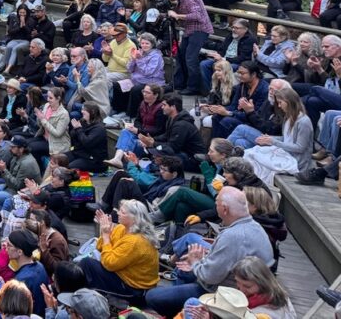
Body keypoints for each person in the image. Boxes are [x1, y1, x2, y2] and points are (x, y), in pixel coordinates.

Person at [144, 186, 274, 316]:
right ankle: (178, 281)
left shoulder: (232, 236)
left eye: (216, 203)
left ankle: (184, 310)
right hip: (239, 282)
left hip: (225, 295)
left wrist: (196, 262)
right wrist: (205, 256)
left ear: (224, 209)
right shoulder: (255, 226)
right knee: (190, 246)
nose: (214, 206)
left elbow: (209, 278)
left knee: (152, 296)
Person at [79, 199, 159, 300]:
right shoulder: (122, 228)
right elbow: (100, 248)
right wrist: (104, 230)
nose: (118, 213)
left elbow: (109, 264)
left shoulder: (135, 241)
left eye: (123, 212)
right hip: (121, 275)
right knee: (87, 265)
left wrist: (106, 235)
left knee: (87, 264)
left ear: (134, 219)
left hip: (135, 289)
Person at [163, 0, 214, 95]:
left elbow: (198, 16)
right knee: (180, 55)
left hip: (200, 30)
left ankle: (193, 87)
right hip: (190, 30)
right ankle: (179, 83)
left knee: (190, 58)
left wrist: (177, 15)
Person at [0, 135, 43, 227]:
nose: (10, 148)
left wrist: (4, 170)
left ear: (21, 149)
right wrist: (2, 168)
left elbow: (17, 185)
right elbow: (12, 177)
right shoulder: (16, 156)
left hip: (23, 194)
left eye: (13, 147)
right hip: (12, 187)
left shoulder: (26, 163)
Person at [105, 84, 166, 166]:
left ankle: (125, 163)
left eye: (148, 92)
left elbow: (159, 129)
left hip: (150, 139)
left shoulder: (160, 108)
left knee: (132, 142)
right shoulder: (143, 104)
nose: (144, 94)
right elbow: (138, 120)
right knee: (125, 131)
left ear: (156, 95)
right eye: (144, 91)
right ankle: (117, 158)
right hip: (140, 134)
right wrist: (134, 128)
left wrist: (138, 130)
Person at [208, 61, 269, 140]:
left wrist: (228, 113)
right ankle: (214, 145)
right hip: (241, 115)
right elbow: (234, 105)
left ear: (253, 74)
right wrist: (219, 109)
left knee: (227, 121)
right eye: (239, 73)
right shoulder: (243, 85)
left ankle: (223, 148)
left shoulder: (264, 90)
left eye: (242, 73)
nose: (239, 76)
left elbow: (257, 116)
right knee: (216, 116)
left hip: (253, 121)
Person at [200, 19, 257, 92]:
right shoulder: (230, 36)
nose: (233, 30)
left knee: (224, 68)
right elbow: (222, 48)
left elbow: (243, 58)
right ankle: (209, 91)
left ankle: (221, 93)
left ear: (245, 29)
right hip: (223, 59)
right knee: (204, 64)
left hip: (237, 63)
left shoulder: (250, 40)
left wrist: (224, 59)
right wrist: (215, 54)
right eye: (233, 27)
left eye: (237, 28)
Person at [5, 230, 49, 315]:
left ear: (20, 252)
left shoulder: (21, 280)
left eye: (9, 245)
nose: (6, 248)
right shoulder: (39, 266)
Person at [123, 33, 164, 117]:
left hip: (152, 81)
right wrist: (133, 59)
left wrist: (139, 59)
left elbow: (148, 72)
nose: (144, 45)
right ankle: (120, 110)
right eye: (142, 43)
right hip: (137, 79)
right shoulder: (140, 52)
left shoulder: (156, 56)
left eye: (147, 43)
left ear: (152, 44)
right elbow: (129, 69)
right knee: (118, 85)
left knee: (136, 90)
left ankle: (131, 115)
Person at [28, 88, 71, 163]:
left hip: (56, 143)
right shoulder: (47, 106)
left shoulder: (64, 114)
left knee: (31, 148)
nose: (48, 99)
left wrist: (43, 120)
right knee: (25, 144)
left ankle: (38, 171)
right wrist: (39, 117)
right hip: (44, 137)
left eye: (51, 98)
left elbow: (58, 133)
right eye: (47, 97)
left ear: (58, 98)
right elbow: (40, 125)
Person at [67, 103, 106, 171]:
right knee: (58, 160)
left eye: (85, 110)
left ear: (92, 112)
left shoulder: (99, 129)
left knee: (69, 167)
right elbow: (73, 135)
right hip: (80, 153)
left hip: (94, 160)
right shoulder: (83, 121)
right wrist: (75, 129)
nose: (82, 111)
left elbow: (87, 142)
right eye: (82, 109)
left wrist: (78, 129)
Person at [0, 6, 33, 74]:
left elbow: (29, 33)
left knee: (16, 48)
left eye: (24, 13)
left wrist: (24, 25)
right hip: (15, 39)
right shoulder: (14, 19)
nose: (22, 14)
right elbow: (10, 31)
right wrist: (19, 27)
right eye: (20, 12)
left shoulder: (30, 20)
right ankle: (6, 66)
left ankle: (9, 68)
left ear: (27, 12)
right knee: (9, 47)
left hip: (25, 41)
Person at [101, 22, 136, 91]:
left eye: (117, 35)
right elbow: (105, 60)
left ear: (124, 34)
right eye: (114, 35)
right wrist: (105, 53)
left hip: (123, 73)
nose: (115, 36)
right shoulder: (113, 42)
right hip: (110, 69)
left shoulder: (131, 45)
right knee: (94, 73)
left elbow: (126, 64)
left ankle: (106, 99)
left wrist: (112, 55)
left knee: (105, 78)